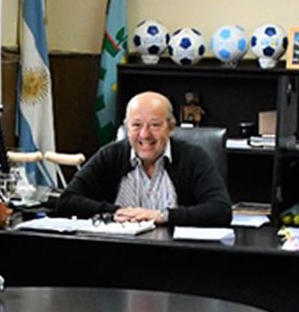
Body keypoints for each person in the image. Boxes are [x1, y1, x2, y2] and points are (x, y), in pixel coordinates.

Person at [55, 91, 232, 227]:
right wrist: (117, 212)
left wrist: (163, 216)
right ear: (126, 127)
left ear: (171, 128)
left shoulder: (193, 157)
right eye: (136, 125)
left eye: (155, 125)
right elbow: (67, 201)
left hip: (176, 256)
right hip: (117, 254)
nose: (145, 134)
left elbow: (220, 210)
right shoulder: (110, 156)